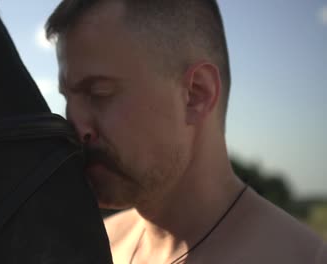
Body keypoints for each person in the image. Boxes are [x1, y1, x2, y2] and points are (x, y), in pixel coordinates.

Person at [45, 0, 327, 263]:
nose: (74, 126)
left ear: (196, 94)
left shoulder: (303, 257)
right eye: (68, 99)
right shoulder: (94, 246)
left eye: (99, 92)